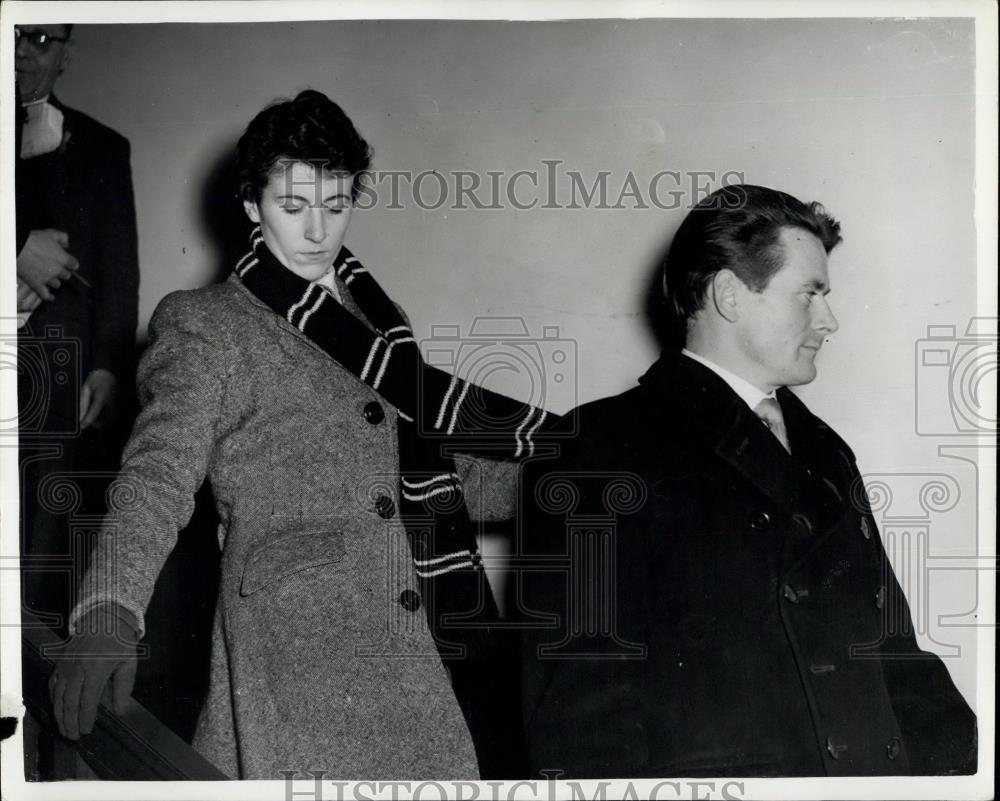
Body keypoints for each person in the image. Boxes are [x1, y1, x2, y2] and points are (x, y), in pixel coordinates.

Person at [47, 90, 547, 779]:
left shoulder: (379, 320)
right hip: (296, 656)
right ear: (252, 204)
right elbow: (157, 474)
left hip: (418, 650)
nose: (318, 230)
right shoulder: (208, 324)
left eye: (336, 205)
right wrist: (110, 607)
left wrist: (579, 463)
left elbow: (431, 467)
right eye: (294, 206)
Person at [519, 184, 977, 777]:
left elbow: (895, 655)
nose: (830, 320)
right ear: (729, 294)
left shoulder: (826, 450)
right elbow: (583, 711)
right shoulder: (600, 446)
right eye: (809, 295)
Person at [14, 24, 140, 630]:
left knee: (43, 544)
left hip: (58, 375)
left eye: (40, 39)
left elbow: (119, 272)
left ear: (67, 54)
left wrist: (107, 366)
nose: (19, 52)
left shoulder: (103, 147)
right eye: (10, 33)